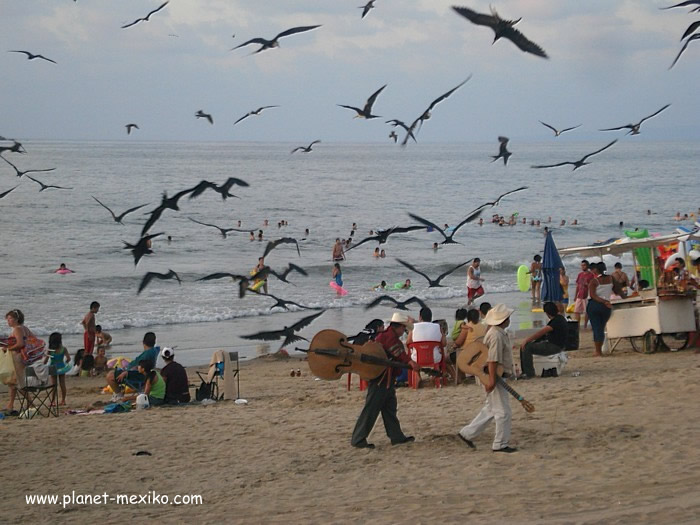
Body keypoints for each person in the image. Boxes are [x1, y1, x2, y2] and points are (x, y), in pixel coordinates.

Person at [351, 312, 419, 449]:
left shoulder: (387, 336)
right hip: (381, 379)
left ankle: (397, 437)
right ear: (398, 327)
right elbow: (398, 353)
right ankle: (358, 439)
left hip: (387, 379)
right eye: (403, 329)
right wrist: (410, 362)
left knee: (389, 409)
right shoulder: (389, 337)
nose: (403, 332)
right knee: (371, 409)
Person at [458, 304, 517, 453]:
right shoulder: (496, 335)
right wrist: (491, 381)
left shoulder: (497, 332)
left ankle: (466, 434)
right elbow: (492, 360)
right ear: (504, 320)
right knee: (503, 412)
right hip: (494, 375)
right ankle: (500, 444)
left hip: (494, 374)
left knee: (491, 409)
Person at [4, 309, 45, 412]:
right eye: (7, 319)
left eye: (10, 318)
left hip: (17, 357)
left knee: (18, 382)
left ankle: (30, 403)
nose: (8, 321)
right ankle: (11, 405)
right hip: (22, 357)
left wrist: (8, 348)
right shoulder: (24, 328)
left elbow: (21, 344)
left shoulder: (17, 329)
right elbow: (34, 339)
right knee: (14, 382)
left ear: (16, 319)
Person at [105, 332, 160, 402]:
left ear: (143, 342)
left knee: (110, 376)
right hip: (140, 374)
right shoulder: (154, 350)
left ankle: (118, 394)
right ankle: (119, 392)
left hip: (136, 376)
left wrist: (126, 372)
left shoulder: (146, 355)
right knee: (114, 372)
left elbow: (139, 368)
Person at [518, 302, 567, 378]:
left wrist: (527, 340)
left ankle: (528, 373)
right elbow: (543, 335)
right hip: (559, 345)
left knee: (526, 347)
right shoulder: (560, 318)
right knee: (528, 346)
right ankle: (525, 371)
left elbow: (540, 333)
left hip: (555, 346)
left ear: (547, 313)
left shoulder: (554, 322)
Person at [587, 262, 614, 357]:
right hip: (606, 306)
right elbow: (617, 289)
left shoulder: (594, 281)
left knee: (596, 327)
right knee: (601, 327)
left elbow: (593, 295)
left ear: (596, 270)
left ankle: (598, 351)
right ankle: (599, 350)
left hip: (595, 305)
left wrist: (603, 301)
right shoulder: (611, 278)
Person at [44, 332, 71, 405]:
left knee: (54, 385)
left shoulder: (50, 350)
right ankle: (63, 400)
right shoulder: (63, 349)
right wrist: (66, 362)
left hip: (53, 368)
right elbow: (68, 358)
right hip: (61, 367)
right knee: (62, 384)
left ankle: (53, 401)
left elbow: (45, 361)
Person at [574, 260, 594, 329]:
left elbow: (593, 286)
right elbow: (577, 286)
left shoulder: (591, 275)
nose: (583, 267)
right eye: (582, 265)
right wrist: (575, 295)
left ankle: (585, 325)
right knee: (576, 311)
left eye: (584, 265)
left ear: (587, 266)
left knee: (587, 311)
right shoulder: (580, 275)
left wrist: (587, 284)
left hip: (587, 295)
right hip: (580, 295)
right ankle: (578, 326)